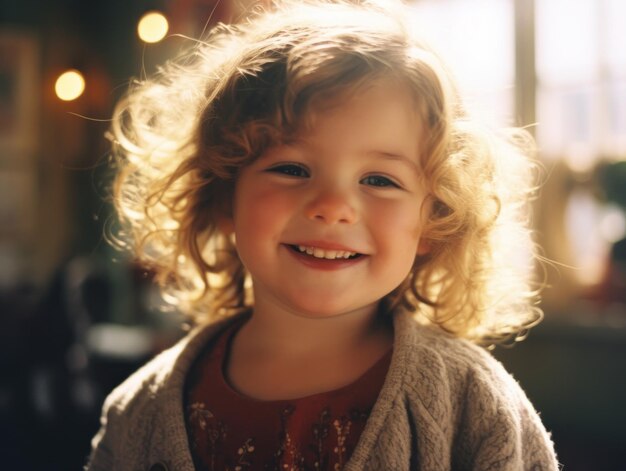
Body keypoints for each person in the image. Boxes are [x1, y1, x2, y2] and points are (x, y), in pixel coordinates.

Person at [87, 0, 559, 469]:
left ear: (435, 221)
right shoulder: (137, 411)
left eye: (380, 180)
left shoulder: (475, 405)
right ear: (222, 198)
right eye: (292, 168)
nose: (333, 208)